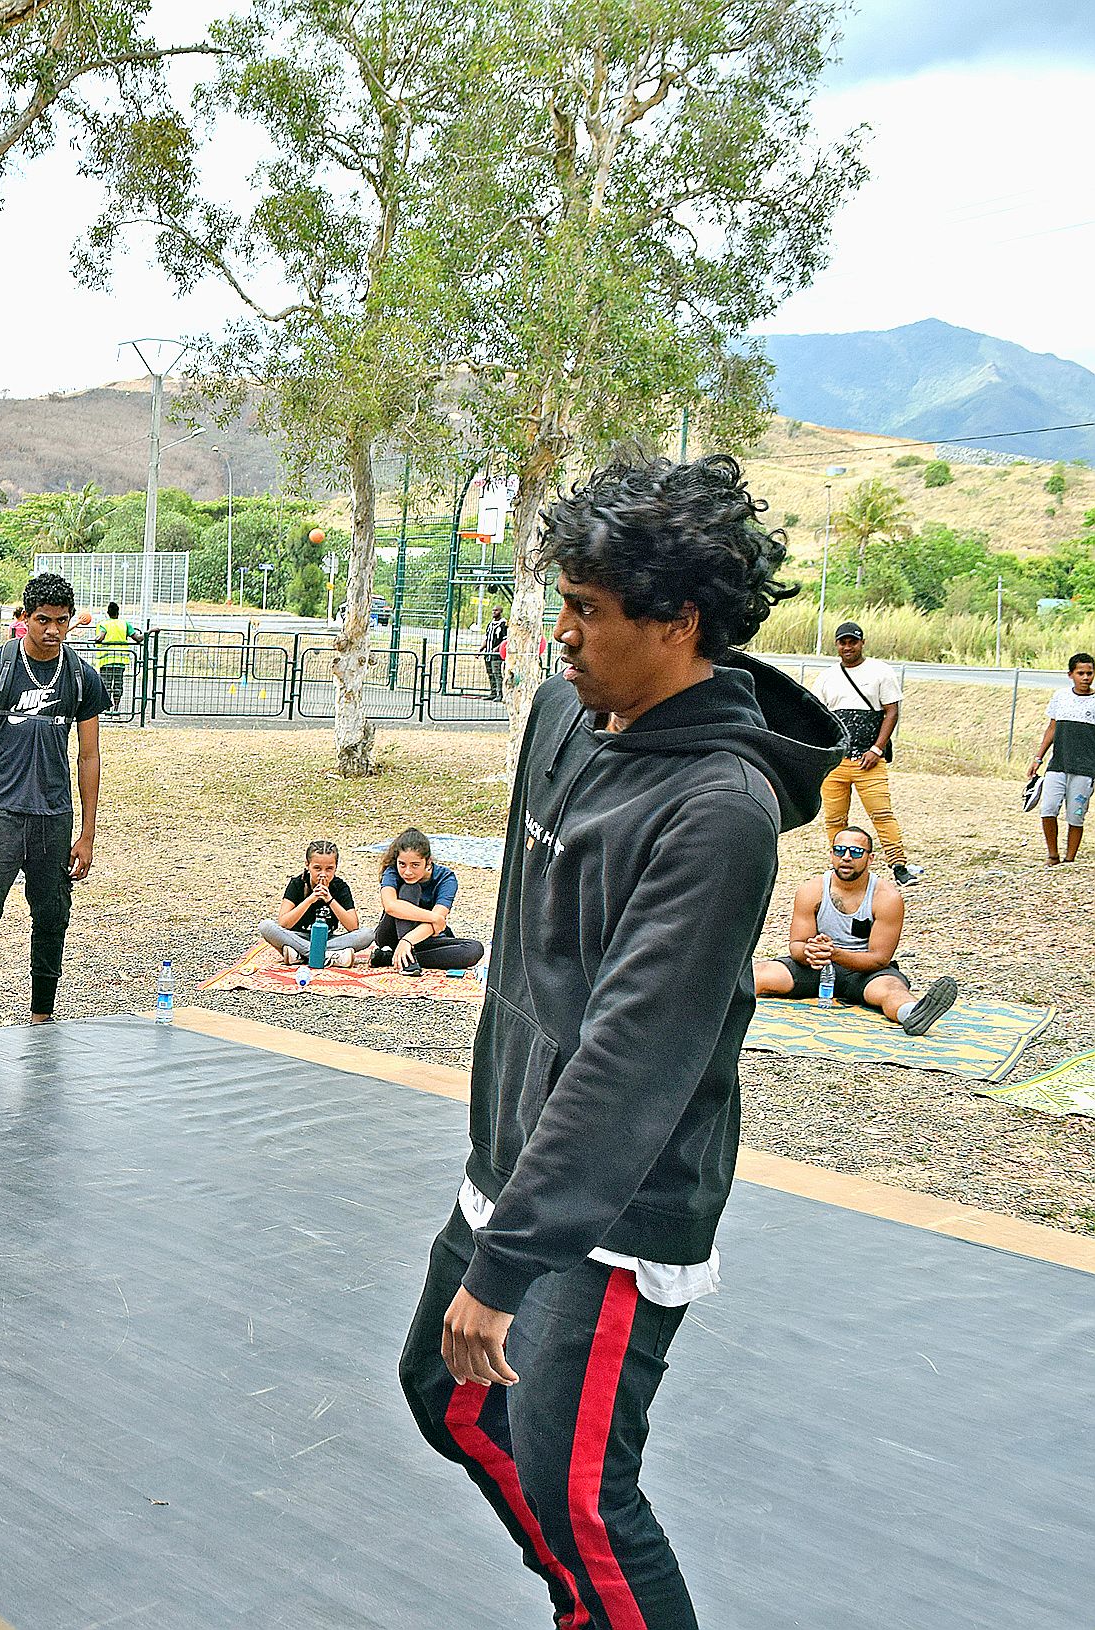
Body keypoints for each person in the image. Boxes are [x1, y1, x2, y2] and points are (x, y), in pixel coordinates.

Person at [399, 452, 843, 1630]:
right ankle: (595, 1612)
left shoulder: (718, 812)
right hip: (515, 1164)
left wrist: (509, 1268)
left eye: (588, 612)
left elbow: (629, 1057)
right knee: (443, 1396)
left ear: (679, 621)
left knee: (584, 1490)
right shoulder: (566, 711)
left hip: (618, 1202)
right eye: (564, 604)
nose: (563, 636)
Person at [0, 572, 107, 1032]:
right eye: (43, 620)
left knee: (53, 914)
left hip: (54, 817)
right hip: (0, 813)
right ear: (24, 619)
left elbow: (88, 756)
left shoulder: (81, 677)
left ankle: (42, 1018)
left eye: (63, 621)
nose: (53, 630)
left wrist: (87, 833)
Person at [753, 827, 959, 1034]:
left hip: (864, 973)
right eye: (840, 850)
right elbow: (796, 945)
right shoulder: (811, 890)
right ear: (831, 855)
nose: (847, 857)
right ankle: (721, 1001)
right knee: (759, 974)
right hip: (816, 968)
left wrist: (836, 954)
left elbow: (879, 959)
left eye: (856, 852)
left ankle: (913, 1014)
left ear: (870, 859)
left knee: (891, 989)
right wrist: (810, 952)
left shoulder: (887, 897)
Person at [811, 620, 920, 887]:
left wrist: (877, 748)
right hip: (837, 761)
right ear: (836, 645)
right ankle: (839, 865)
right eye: (842, 642)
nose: (847, 647)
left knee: (881, 814)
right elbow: (818, 716)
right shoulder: (826, 677)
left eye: (852, 642)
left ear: (862, 643)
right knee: (835, 818)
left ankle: (899, 866)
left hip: (868, 759)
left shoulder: (880, 672)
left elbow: (891, 712)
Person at [361, 830, 485, 971]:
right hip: (391, 935)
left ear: (428, 862)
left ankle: (391, 958)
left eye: (415, 865)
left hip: (425, 936)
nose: (408, 871)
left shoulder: (445, 878)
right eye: (402, 864)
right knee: (410, 888)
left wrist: (408, 940)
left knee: (474, 949)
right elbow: (390, 906)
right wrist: (434, 917)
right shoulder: (392, 872)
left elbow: (438, 918)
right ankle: (407, 960)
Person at [1026, 651, 1095, 864]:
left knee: (1075, 815)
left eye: (1089, 673)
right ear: (1070, 674)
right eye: (1080, 673)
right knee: (1048, 809)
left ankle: (1069, 859)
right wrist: (1038, 758)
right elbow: (1052, 728)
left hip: (1086, 768)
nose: (1085, 677)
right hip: (1058, 765)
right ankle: (1052, 855)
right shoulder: (1060, 697)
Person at [259, 839, 374, 966]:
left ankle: (301, 955)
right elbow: (284, 923)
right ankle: (326, 956)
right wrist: (310, 899)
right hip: (298, 937)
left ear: (336, 867)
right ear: (307, 865)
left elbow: (353, 926)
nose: (323, 874)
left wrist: (329, 899)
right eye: (317, 868)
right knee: (266, 926)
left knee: (367, 934)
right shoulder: (297, 884)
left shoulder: (340, 887)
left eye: (329, 869)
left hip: (326, 939)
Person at [95, 600, 138, 713]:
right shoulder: (125, 624)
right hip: (120, 661)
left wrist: (95, 640)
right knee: (118, 685)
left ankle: (107, 708)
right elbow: (137, 638)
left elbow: (100, 638)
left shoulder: (104, 624)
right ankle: (116, 708)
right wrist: (149, 632)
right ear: (118, 612)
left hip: (106, 661)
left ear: (107, 613)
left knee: (106, 685)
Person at [484, 604, 509, 700]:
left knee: (497, 673)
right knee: (490, 673)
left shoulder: (503, 624)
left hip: (496, 655)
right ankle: (493, 692)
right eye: (493, 610)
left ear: (500, 612)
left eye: (496, 610)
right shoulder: (490, 624)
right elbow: (486, 639)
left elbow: (505, 639)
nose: (494, 612)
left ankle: (500, 693)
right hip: (488, 653)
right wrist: (481, 649)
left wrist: (497, 648)